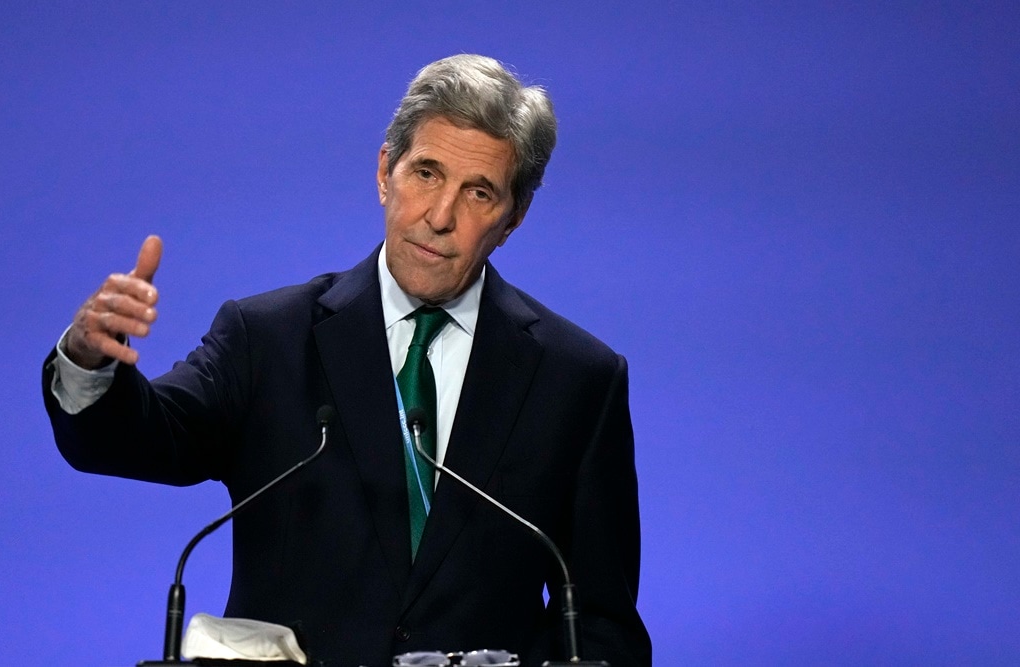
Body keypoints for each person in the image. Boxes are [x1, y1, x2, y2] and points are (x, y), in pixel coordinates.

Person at [43, 54, 651, 666]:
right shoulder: (269, 339)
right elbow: (141, 437)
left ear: (513, 217)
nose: (440, 217)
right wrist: (89, 359)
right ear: (386, 172)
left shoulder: (578, 380)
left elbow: (602, 623)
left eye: (478, 192)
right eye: (427, 174)